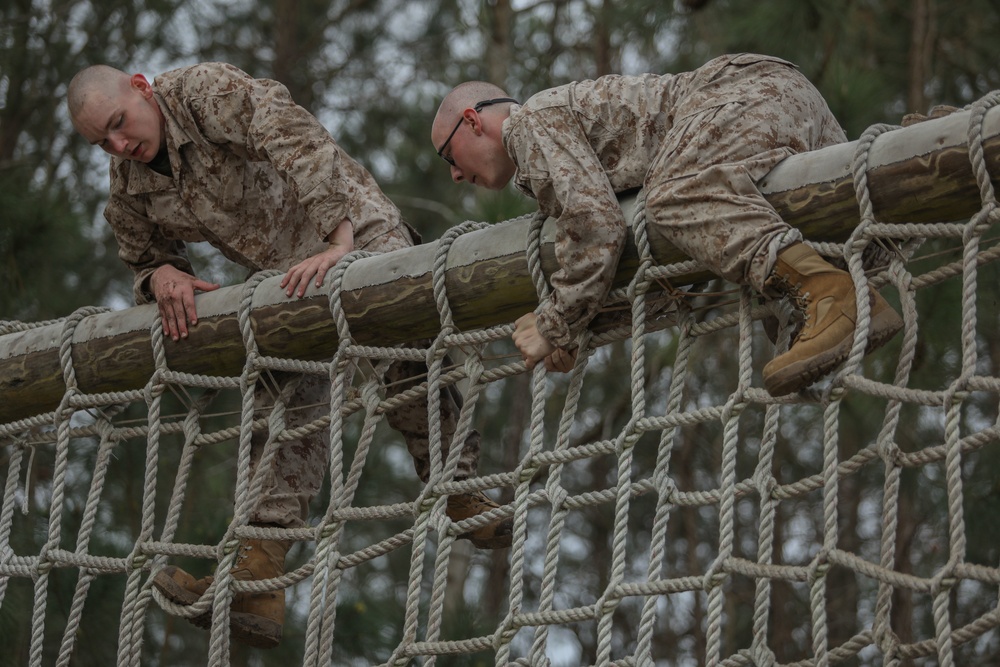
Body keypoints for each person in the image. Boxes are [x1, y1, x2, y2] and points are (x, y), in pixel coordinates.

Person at [68, 62, 512, 649]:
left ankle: (459, 490)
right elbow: (142, 249)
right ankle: (259, 574)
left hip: (353, 228)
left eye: (120, 124)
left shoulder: (204, 95)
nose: (120, 145)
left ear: (142, 87)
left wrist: (339, 236)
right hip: (284, 278)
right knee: (283, 395)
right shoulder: (129, 181)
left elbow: (293, 133)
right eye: (103, 141)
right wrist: (161, 275)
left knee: (398, 338)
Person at [430, 53, 903, 394]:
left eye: (448, 156)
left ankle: (830, 294)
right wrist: (580, 332)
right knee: (860, 237)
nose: (453, 174)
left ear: (473, 121)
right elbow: (650, 264)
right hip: (772, 100)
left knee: (674, 195)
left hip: (740, 92)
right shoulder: (559, 160)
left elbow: (595, 227)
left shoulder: (528, 126)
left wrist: (555, 323)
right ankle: (859, 284)